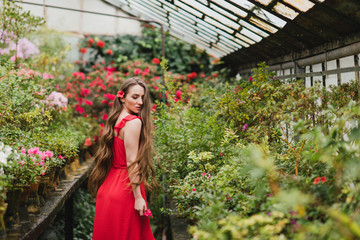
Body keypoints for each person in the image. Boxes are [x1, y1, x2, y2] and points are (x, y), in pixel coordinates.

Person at [89, 77, 158, 240]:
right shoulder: (133, 122)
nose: (140, 101)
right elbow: (132, 161)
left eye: (142, 97)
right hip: (126, 191)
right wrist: (139, 197)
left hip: (108, 190)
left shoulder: (116, 119)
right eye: (135, 97)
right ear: (122, 97)